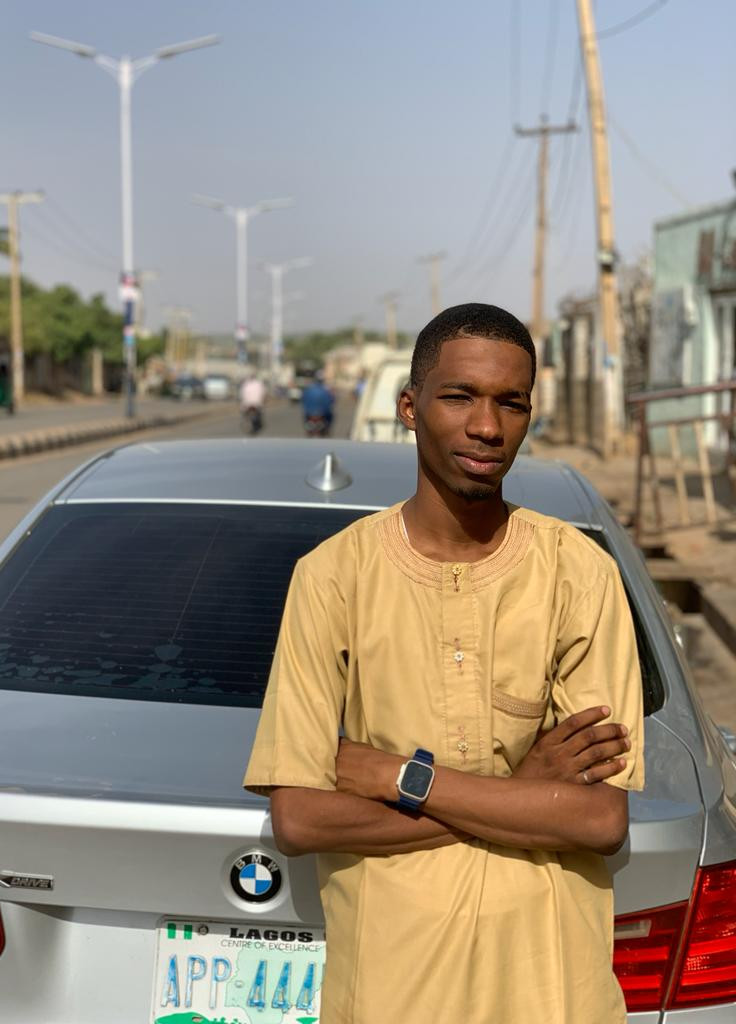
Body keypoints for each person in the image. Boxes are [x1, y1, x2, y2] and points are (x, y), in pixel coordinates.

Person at [244, 303, 644, 1023]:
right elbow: (300, 820)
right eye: (460, 396)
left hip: (551, 995)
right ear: (410, 407)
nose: (487, 426)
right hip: (389, 994)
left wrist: (397, 777)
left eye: (511, 403)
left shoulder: (578, 574)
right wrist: (522, 793)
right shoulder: (333, 577)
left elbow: (596, 818)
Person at [300, 370, 335, 435]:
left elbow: (303, 399)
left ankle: (309, 428)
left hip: (310, 413)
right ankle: (327, 429)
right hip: (322, 413)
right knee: (331, 416)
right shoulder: (326, 389)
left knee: (305, 416)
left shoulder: (309, 388)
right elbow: (331, 400)